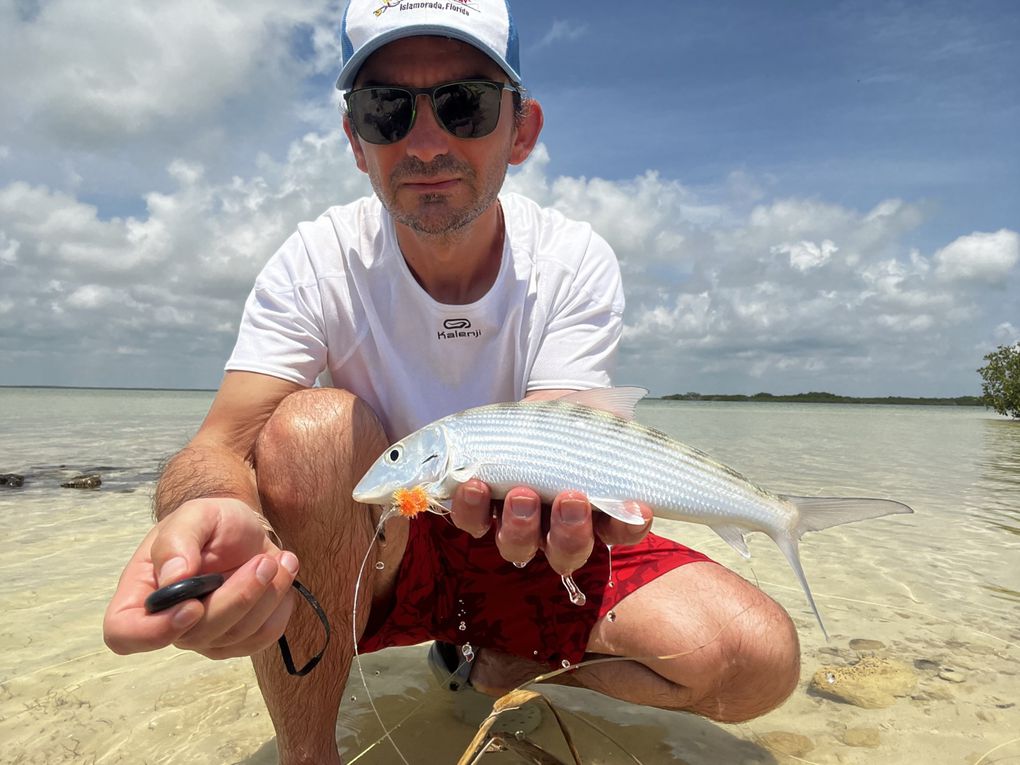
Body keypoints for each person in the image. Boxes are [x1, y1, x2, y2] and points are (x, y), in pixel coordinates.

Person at [103, 1, 800, 763]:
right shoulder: (313, 261)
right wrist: (207, 508)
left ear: (521, 129)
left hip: (521, 547)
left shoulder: (571, 259)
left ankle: (509, 664)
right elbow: (220, 444)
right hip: (382, 547)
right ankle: (310, 755)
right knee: (310, 431)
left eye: (464, 104)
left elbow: (558, 436)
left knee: (753, 656)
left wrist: (577, 516)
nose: (426, 141)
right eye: (386, 108)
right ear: (355, 140)